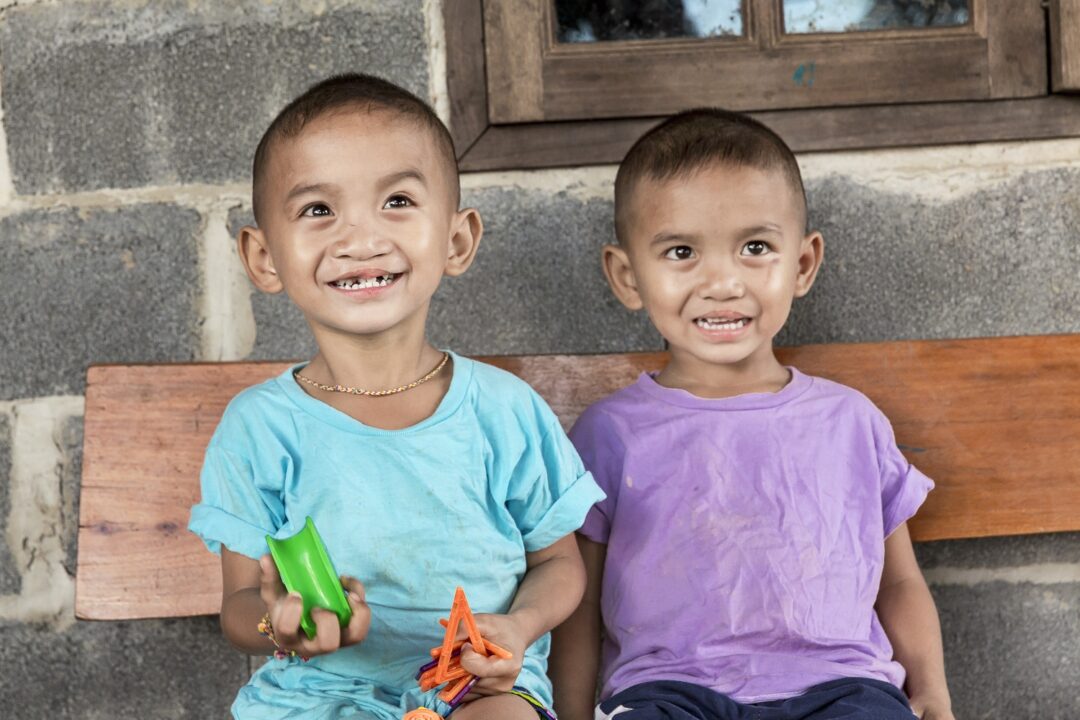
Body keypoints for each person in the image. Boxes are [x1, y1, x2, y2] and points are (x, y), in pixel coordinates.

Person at [188, 73, 604, 720]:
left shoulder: (503, 411)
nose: (359, 239)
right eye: (318, 210)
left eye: (398, 202)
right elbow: (240, 605)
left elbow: (559, 564)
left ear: (457, 240)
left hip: (474, 686)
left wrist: (518, 626)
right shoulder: (260, 429)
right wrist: (281, 624)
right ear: (264, 257)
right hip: (314, 694)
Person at [548, 109, 954, 720]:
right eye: (682, 251)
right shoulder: (609, 434)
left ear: (802, 264)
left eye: (755, 248)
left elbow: (898, 583)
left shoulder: (851, 422)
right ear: (628, 277)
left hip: (842, 689)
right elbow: (576, 604)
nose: (722, 283)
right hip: (668, 693)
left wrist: (933, 693)